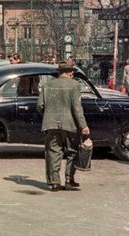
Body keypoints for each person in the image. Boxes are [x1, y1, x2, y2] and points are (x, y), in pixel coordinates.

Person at [37, 61, 90, 191]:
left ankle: (54, 183)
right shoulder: (75, 85)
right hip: (70, 124)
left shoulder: (47, 85)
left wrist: (49, 115)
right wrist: (83, 125)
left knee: (53, 153)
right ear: (71, 72)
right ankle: (69, 180)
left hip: (50, 124)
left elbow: (40, 106)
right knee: (72, 152)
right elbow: (77, 107)